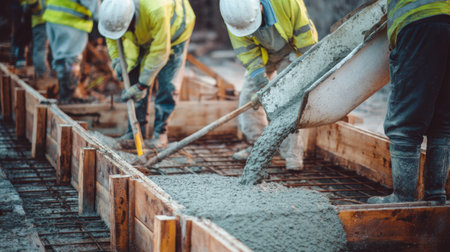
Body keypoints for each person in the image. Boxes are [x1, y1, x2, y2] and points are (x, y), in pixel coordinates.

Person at [219, 0, 318, 170]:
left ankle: (292, 157)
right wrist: (263, 86)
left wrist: (303, 71)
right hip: (264, 55)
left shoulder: (287, 3)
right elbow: (247, 54)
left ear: (259, 6)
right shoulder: (234, 16)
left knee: (287, 103)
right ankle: (259, 148)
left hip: (293, 50)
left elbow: (305, 36)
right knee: (247, 102)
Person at [368, 0, 449, 204]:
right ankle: (435, 196)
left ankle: (403, 198)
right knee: (443, 122)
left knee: (405, 121)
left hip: (418, 23)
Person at [98, 0, 195, 148]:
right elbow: (111, 37)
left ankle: (160, 134)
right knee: (133, 74)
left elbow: (160, 52)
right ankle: (136, 133)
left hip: (175, 33)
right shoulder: (113, 11)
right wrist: (117, 59)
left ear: (131, 19)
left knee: (167, 84)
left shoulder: (157, 10)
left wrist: (142, 85)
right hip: (141, 33)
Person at [42, 0, 99, 103]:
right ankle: (68, 97)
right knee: (71, 59)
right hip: (71, 21)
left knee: (61, 59)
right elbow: (93, 5)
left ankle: (64, 96)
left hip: (52, 18)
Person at [22, 0, 49, 79]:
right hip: (43, 20)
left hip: (41, 20)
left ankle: (42, 72)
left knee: (40, 48)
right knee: (40, 49)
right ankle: (42, 74)